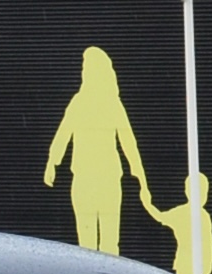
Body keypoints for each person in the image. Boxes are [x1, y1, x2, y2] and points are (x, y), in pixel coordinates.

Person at [45, 47, 150, 256]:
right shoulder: (93, 102)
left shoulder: (95, 102)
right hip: (96, 178)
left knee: (95, 241)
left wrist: (53, 163)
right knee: (100, 240)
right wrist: (52, 162)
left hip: (96, 178)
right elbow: (64, 134)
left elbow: (128, 142)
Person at [144, 172, 212, 274]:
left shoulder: (204, 215)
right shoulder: (182, 213)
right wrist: (146, 202)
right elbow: (159, 216)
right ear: (188, 192)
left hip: (201, 266)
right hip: (185, 264)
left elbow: (208, 242)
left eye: (204, 191)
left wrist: (208, 265)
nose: (203, 195)